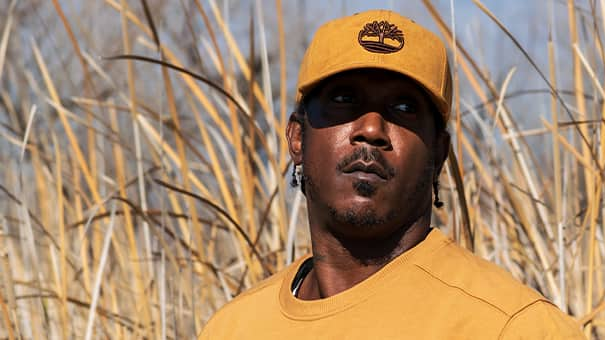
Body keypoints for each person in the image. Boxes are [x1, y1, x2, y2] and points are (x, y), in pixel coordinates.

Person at [199, 9, 583, 339]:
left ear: (439, 153)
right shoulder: (234, 328)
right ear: (298, 138)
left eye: (402, 107)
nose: (371, 127)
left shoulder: (513, 327)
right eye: (344, 100)